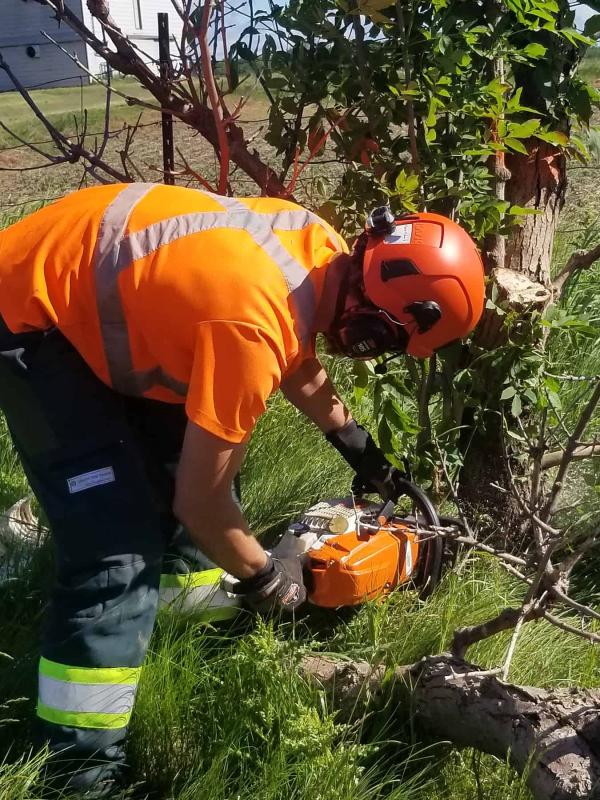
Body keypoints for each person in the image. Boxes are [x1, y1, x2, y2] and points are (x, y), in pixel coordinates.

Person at [0, 184, 484, 795]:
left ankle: (183, 611)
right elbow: (202, 502)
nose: (368, 356)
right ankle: (81, 771)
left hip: (93, 291)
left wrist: (358, 448)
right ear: (373, 317)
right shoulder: (250, 320)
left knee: (190, 451)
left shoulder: (323, 252)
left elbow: (293, 351)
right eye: (383, 342)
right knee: (114, 552)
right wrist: (267, 580)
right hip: (29, 313)